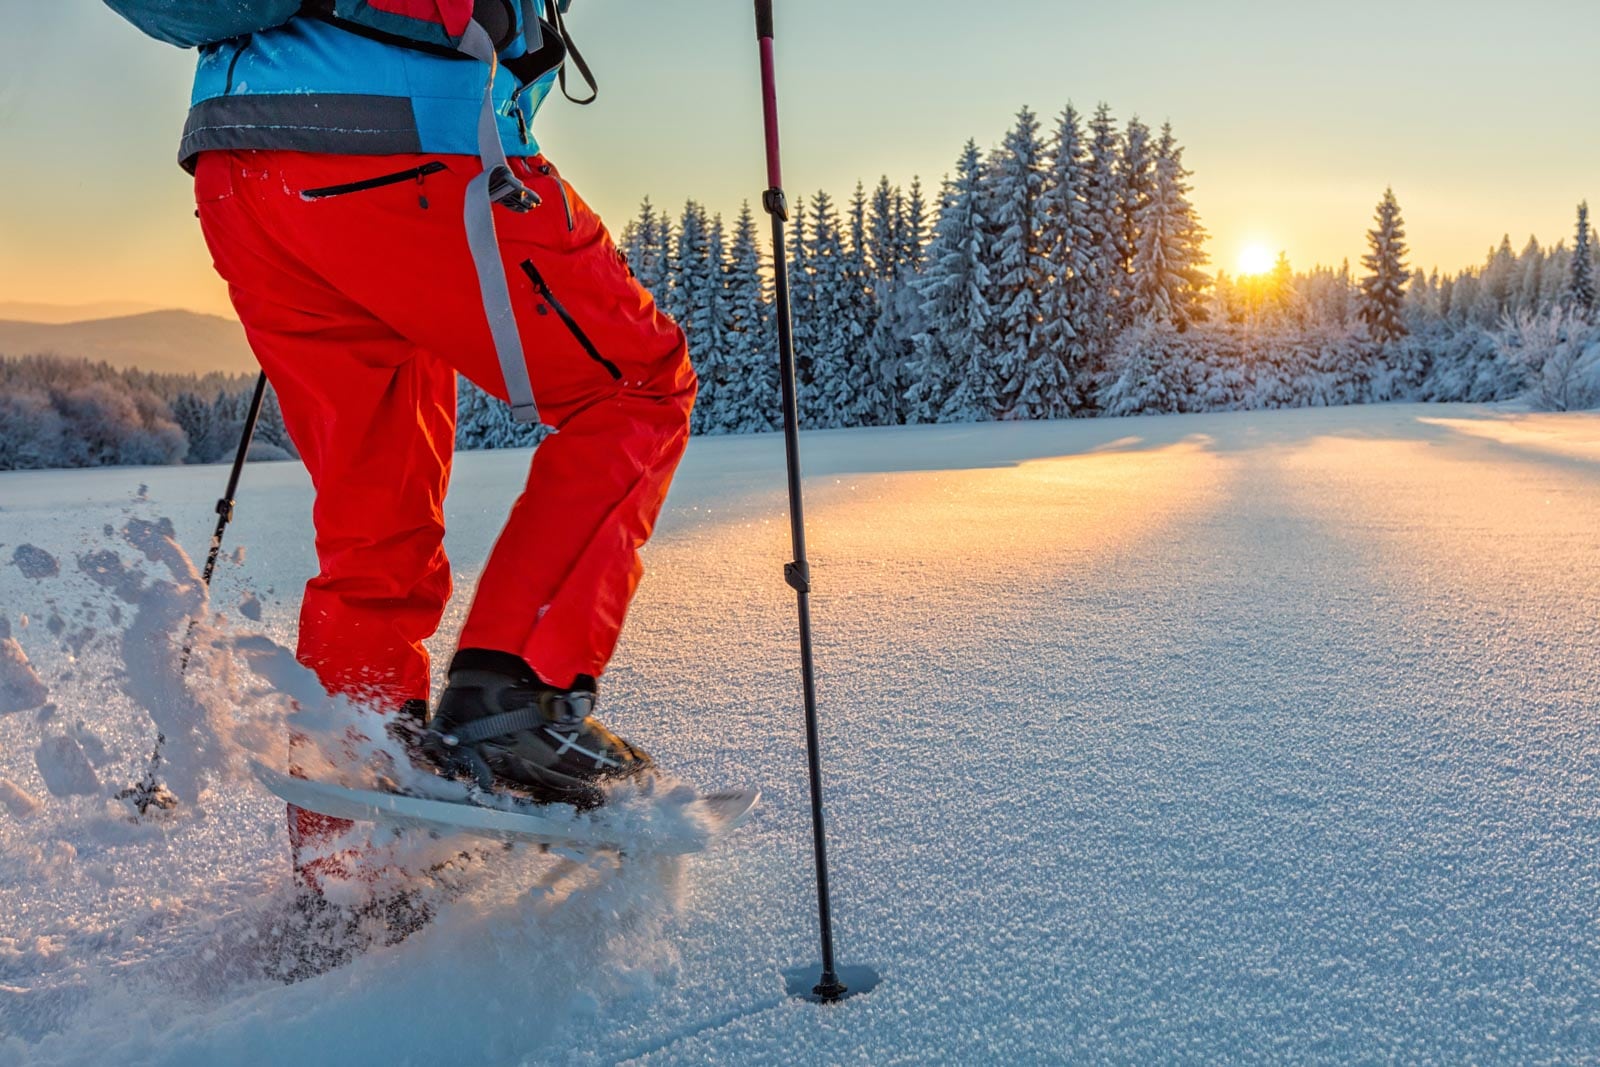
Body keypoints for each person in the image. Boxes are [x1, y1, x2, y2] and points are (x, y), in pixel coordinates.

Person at [181, 2, 695, 892]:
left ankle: (347, 834)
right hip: (399, 136)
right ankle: (517, 697)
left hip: (237, 166)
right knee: (638, 386)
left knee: (371, 517)